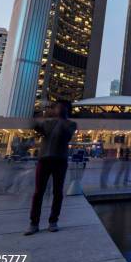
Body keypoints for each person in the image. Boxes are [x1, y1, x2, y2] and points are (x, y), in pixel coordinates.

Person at [24, 101, 77, 236]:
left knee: (58, 192)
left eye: (62, 107)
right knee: (38, 192)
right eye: (57, 107)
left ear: (67, 110)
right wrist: (39, 114)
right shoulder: (47, 122)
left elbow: (66, 136)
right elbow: (35, 126)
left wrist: (60, 118)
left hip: (60, 160)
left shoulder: (70, 124)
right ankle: (34, 223)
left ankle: (53, 221)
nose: (59, 109)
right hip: (44, 160)